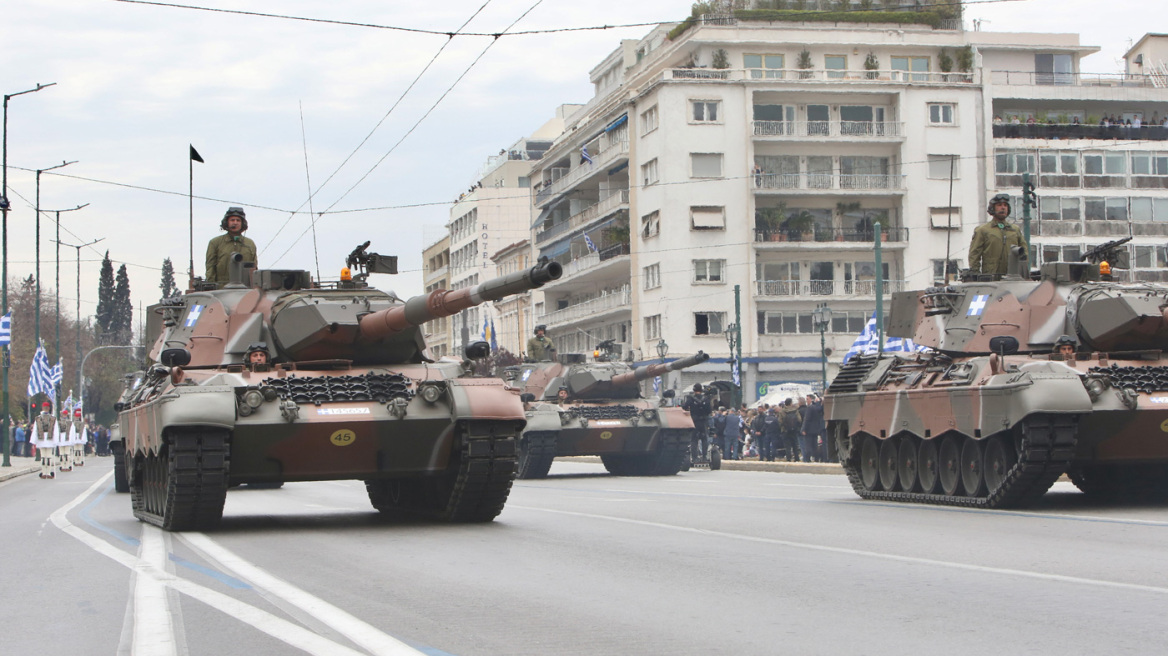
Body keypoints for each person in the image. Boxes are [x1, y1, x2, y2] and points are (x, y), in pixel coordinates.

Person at [968, 193, 1028, 277]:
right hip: (991, 276)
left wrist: (1023, 271)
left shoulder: (1015, 230)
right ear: (992, 208)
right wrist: (975, 273)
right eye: (999, 205)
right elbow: (974, 253)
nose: (1003, 208)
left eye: (1005, 205)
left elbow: (1024, 251)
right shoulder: (983, 230)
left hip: (1013, 276)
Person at [205, 206, 257, 286]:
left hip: (245, 289)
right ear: (227, 223)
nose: (235, 223)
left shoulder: (249, 244)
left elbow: (254, 268)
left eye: (238, 220)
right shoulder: (215, 243)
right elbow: (210, 267)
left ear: (242, 223)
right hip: (222, 289)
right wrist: (211, 286)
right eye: (232, 220)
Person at [682, 384, 712, 460]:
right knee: (704, 439)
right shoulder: (706, 399)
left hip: (694, 421)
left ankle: (694, 457)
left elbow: (684, 407)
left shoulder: (690, 398)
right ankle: (704, 456)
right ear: (701, 390)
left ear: (694, 390)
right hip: (704, 421)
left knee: (694, 439)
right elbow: (709, 410)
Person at [800, 394, 825, 463]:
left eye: (807, 399)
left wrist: (803, 429)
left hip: (808, 430)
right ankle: (816, 459)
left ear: (811, 399)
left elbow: (807, 419)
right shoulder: (817, 407)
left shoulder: (810, 408)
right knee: (815, 446)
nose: (806, 401)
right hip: (816, 429)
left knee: (808, 446)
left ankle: (807, 459)